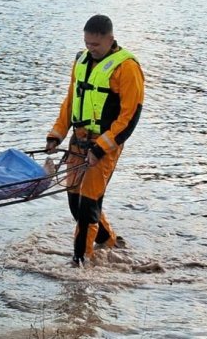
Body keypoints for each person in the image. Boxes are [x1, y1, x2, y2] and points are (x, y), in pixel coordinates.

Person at [45, 14, 145, 267]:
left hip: (104, 146)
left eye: (96, 45)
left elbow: (129, 117)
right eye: (87, 43)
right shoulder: (80, 60)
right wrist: (56, 134)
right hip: (78, 142)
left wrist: (101, 148)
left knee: (87, 206)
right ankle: (109, 241)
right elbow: (70, 101)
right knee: (73, 202)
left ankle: (80, 263)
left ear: (110, 39)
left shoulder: (127, 67)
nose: (91, 48)